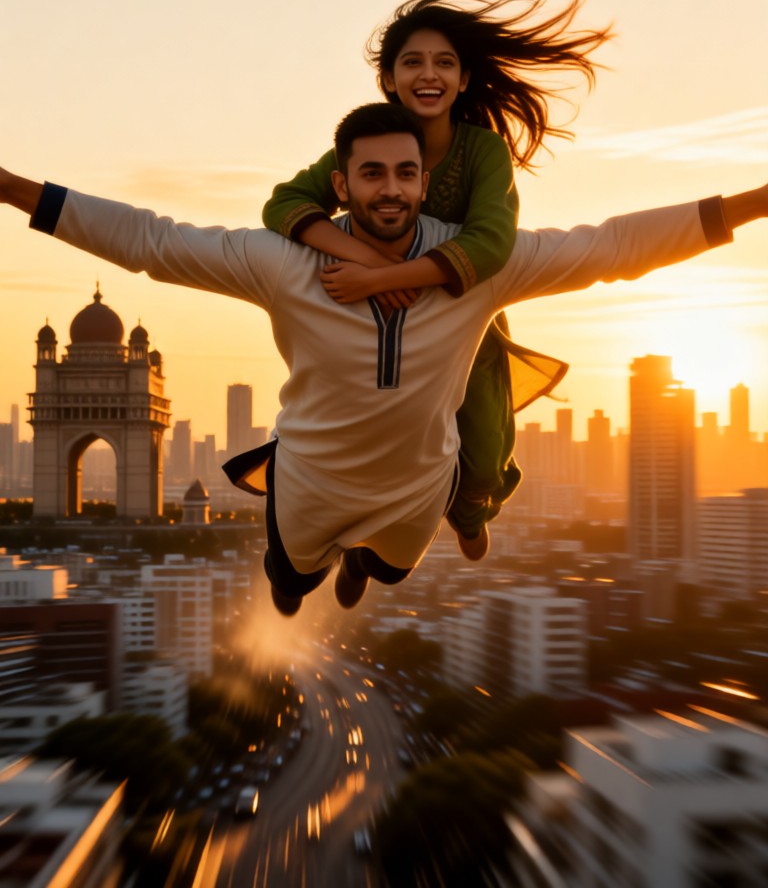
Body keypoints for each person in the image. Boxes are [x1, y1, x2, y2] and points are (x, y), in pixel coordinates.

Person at [1, 103, 766, 616]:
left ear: (424, 182)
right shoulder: (282, 263)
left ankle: (364, 561)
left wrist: (756, 201)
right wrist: (8, 187)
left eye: (405, 173)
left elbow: (614, 248)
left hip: (415, 490)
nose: (390, 189)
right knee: (292, 580)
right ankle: (304, 559)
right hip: (309, 486)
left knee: (391, 569)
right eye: (371, 173)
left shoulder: (479, 266)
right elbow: (148, 241)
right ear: (341, 184)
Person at [262, 0, 611, 561]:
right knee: (364, 443)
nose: (429, 75)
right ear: (389, 80)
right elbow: (285, 204)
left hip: (459, 321)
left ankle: (467, 510)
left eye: (444, 62)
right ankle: (354, 538)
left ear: (464, 78)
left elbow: (492, 242)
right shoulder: (373, 144)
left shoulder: (482, 152)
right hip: (365, 319)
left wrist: (386, 278)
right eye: (413, 62)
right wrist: (372, 265)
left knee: (485, 447)